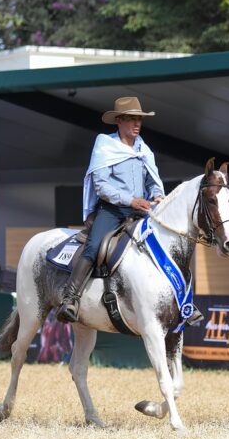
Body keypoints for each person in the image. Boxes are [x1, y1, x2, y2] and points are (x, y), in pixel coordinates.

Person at [57, 97, 165, 323]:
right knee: (94, 246)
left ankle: (178, 300)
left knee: (167, 244)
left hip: (141, 211)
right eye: (132, 119)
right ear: (119, 121)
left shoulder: (144, 150)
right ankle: (71, 298)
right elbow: (102, 186)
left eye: (139, 120)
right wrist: (131, 200)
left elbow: (153, 180)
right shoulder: (105, 146)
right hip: (113, 211)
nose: (137, 124)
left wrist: (156, 194)